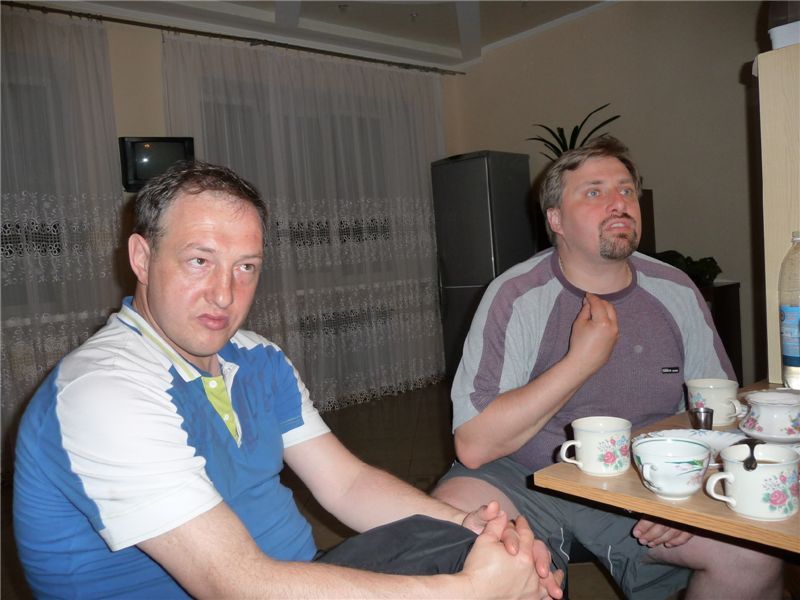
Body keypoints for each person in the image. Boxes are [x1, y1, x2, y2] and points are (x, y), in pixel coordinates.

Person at [13, 161, 564, 599]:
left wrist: (473, 529)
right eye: (200, 260)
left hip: (294, 577)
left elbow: (347, 485)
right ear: (141, 256)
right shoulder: (103, 392)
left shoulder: (257, 358)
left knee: (486, 550)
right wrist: (466, 592)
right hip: (251, 587)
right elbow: (234, 585)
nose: (225, 294)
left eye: (246, 266)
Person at [432, 136, 785, 599]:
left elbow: (718, 414)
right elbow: (475, 445)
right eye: (594, 192)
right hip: (520, 477)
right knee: (451, 532)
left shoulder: (676, 291)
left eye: (626, 190)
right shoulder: (515, 296)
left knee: (755, 555)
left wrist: (687, 481)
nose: (619, 202)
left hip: (644, 478)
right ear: (556, 220)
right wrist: (582, 362)